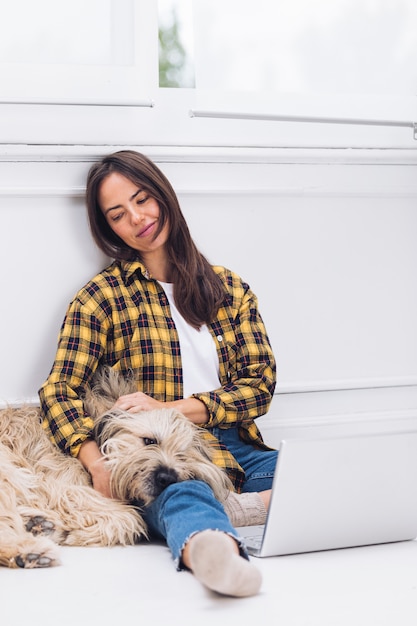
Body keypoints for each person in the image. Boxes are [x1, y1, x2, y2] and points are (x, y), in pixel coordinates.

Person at [39, 150, 278, 597]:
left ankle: (243, 507)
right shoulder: (100, 298)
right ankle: (215, 553)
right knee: (178, 494)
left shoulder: (230, 289)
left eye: (143, 199)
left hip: (235, 447)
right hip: (158, 456)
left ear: (163, 195)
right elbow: (58, 392)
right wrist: (97, 464)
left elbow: (260, 384)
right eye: (117, 214)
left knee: (307, 475)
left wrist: (171, 409)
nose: (136, 218)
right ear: (108, 227)